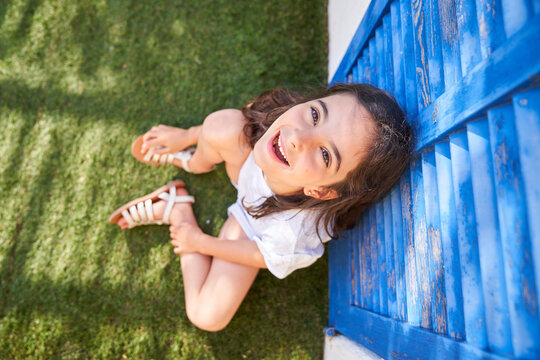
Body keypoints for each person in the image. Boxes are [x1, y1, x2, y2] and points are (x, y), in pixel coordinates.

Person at [109, 83, 413, 331]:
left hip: (252, 226)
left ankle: (177, 208)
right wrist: (191, 134)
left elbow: (262, 256)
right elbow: (244, 126)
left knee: (207, 315)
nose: (297, 138)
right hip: (246, 176)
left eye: (324, 155)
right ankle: (192, 158)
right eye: (315, 115)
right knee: (222, 126)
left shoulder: (295, 233)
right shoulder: (275, 124)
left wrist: (200, 242)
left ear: (322, 190)